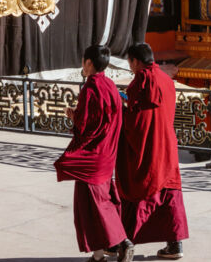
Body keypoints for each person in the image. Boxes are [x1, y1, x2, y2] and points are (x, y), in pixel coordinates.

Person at [54, 45, 134, 262]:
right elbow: (108, 118)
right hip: (108, 154)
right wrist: (79, 116)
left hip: (92, 158)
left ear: (89, 63)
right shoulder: (109, 85)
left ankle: (120, 243)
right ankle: (100, 254)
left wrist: (74, 119)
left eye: (84, 60)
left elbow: (88, 127)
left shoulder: (90, 89)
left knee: (91, 207)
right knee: (103, 203)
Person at [116, 42, 189, 259]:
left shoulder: (143, 80)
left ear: (135, 61)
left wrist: (121, 109)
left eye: (130, 62)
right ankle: (175, 245)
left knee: (138, 188)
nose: (130, 67)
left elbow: (137, 120)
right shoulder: (166, 80)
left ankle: (125, 242)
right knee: (169, 193)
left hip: (147, 147)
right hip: (167, 145)